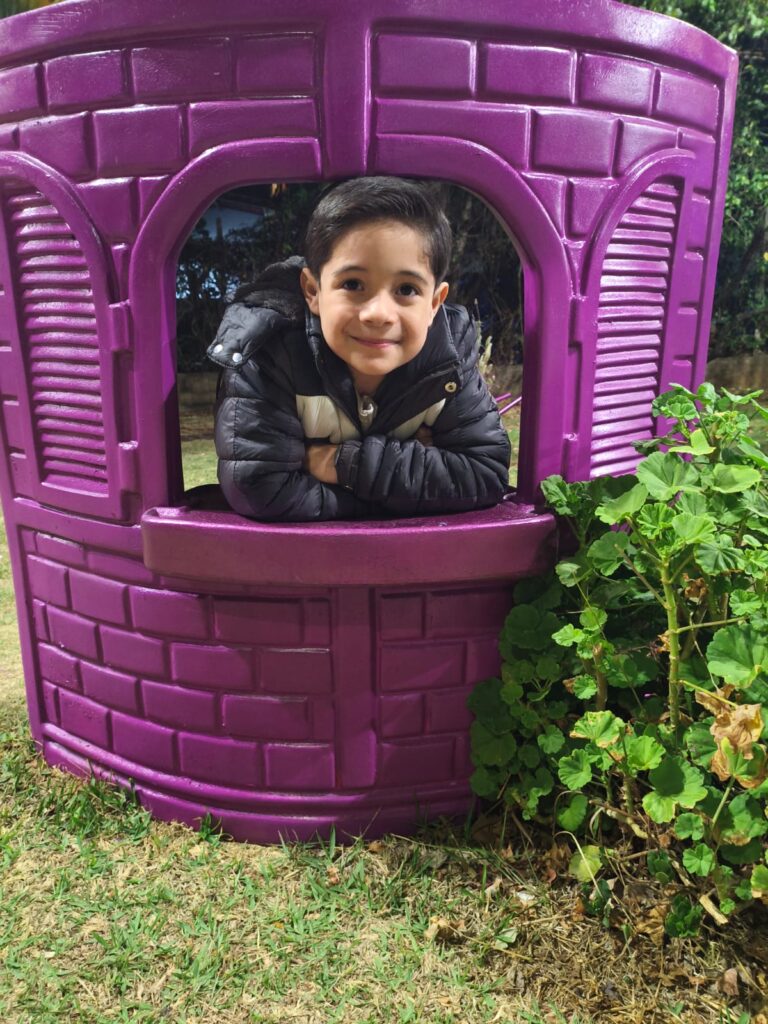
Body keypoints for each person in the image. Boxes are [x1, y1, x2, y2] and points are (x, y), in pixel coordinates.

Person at [207, 176, 511, 521]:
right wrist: (407, 488)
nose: (378, 314)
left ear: (434, 303)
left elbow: (484, 473)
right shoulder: (270, 350)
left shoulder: (448, 358)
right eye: (353, 284)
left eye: (407, 289)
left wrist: (342, 464)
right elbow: (261, 489)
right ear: (313, 291)